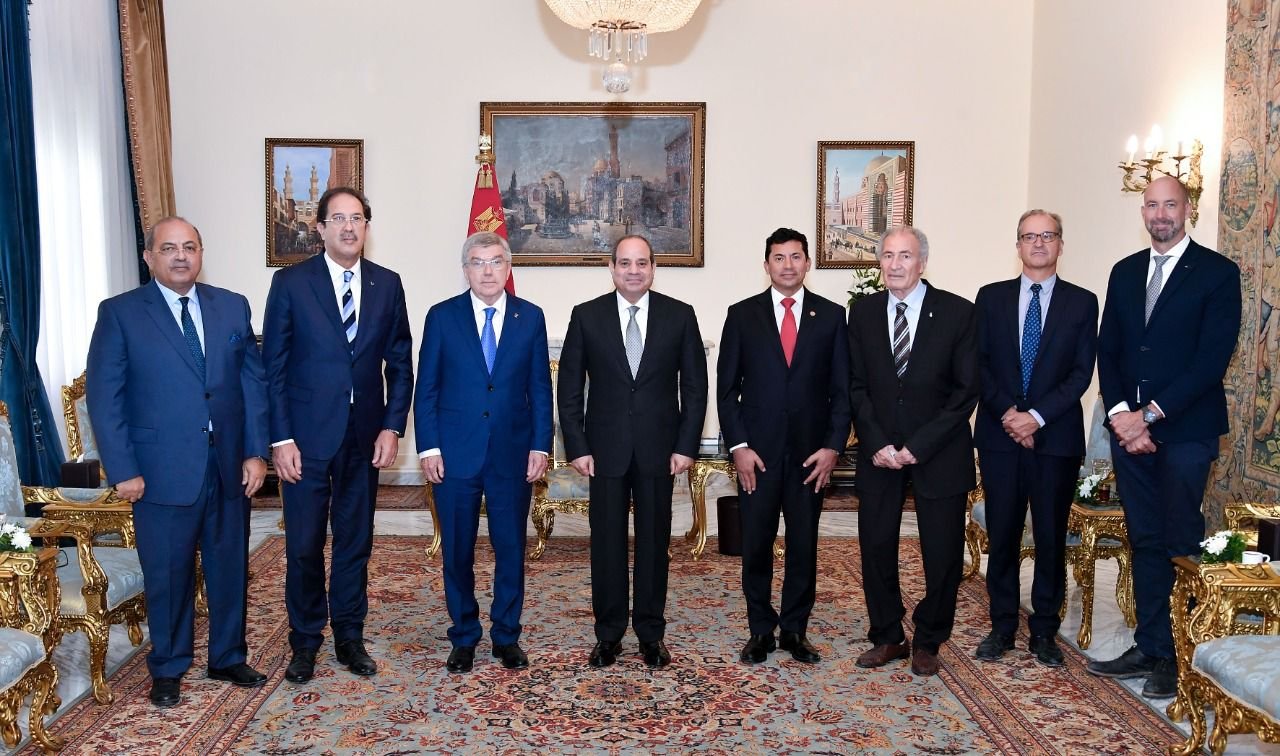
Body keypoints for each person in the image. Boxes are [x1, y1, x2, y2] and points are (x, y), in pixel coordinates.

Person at [87, 217, 268, 707]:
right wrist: (123, 469)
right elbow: (106, 399)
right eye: (169, 248)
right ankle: (168, 666)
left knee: (229, 566)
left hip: (228, 465)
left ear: (201, 253)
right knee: (168, 574)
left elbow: (253, 385)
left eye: (190, 246)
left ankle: (227, 656)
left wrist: (256, 452)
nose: (181, 256)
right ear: (149, 257)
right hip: (159, 471)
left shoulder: (232, 306)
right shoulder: (120, 313)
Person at [1088, 176, 1241, 698]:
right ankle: (1150, 644)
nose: (1160, 214)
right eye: (1151, 205)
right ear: (1143, 212)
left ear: (1187, 209)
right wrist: (1121, 416)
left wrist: (1148, 416)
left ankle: (1179, 656)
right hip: (1130, 432)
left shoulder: (1217, 273)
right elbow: (1109, 351)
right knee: (1145, 538)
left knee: (1179, 540)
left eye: (1169, 205)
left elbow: (1210, 361)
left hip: (1186, 432)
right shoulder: (1125, 271)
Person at [262, 187, 414, 684]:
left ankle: (350, 636)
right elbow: (273, 368)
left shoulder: (387, 284)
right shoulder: (291, 283)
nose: (349, 227)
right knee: (304, 544)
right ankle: (305, 640)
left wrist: (392, 426)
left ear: (367, 226)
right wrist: (280, 439)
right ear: (321, 228)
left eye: (357, 218)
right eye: (339, 219)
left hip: (364, 437)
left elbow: (400, 364)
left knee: (355, 541)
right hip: (304, 440)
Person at [558, 234, 708, 669]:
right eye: (625, 263)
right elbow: (569, 389)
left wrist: (686, 446)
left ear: (653, 268)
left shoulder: (680, 315)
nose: (634, 271)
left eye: (642, 263)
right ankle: (608, 635)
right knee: (606, 545)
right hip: (603, 452)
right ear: (612, 268)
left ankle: (650, 633)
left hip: (660, 451)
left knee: (654, 544)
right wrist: (577, 446)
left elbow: (695, 389)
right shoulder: (586, 316)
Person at [414, 232, 553, 673]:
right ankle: (464, 635)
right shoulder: (442, 317)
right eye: (478, 262)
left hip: (512, 453)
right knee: (457, 550)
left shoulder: (530, 317)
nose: (487, 270)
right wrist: (429, 447)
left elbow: (539, 388)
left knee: (510, 547)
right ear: (466, 270)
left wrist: (541, 444)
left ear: (508, 268)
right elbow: (426, 388)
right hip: (454, 454)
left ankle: (506, 635)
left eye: (495, 261)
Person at [846, 226, 978, 678]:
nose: (895, 264)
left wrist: (918, 447)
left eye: (905, 255)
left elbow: (965, 392)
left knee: (942, 552)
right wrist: (877, 442)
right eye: (887, 255)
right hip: (879, 452)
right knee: (875, 545)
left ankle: (928, 640)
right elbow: (855, 385)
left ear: (922, 262)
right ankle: (888, 635)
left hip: (939, 452)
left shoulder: (958, 312)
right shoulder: (863, 313)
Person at [717, 227, 851, 665]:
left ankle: (795, 629)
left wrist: (832, 447)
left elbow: (842, 392)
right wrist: (739, 447)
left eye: (795, 257)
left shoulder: (831, 316)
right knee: (755, 544)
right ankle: (760, 629)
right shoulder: (742, 315)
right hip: (757, 457)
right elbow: (727, 391)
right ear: (767, 265)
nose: (788, 265)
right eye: (779, 257)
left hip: (811, 459)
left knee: (803, 545)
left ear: (807, 263)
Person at [973, 210, 1098, 666]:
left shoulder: (1082, 302)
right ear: (1018, 245)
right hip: (1000, 436)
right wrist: (1011, 415)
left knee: (1050, 537)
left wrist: (1036, 418)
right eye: (1029, 236)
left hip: (1055, 440)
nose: (1038, 243)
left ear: (1061, 244)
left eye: (1047, 235)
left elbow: (1080, 373)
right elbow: (978, 365)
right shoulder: (991, 298)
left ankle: (1044, 630)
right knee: (1003, 535)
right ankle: (1002, 626)